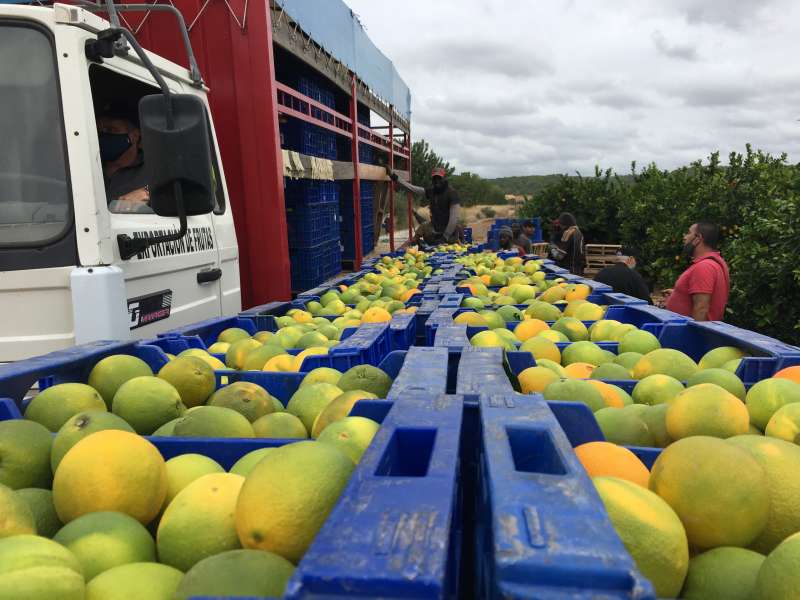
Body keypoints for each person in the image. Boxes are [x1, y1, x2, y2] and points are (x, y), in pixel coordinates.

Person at [665, 222, 730, 321]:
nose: (684, 237)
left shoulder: (704, 267)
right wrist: (679, 294)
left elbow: (701, 308)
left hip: (686, 330)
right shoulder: (714, 262)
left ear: (698, 238)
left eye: (688, 233)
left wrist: (694, 331)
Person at [390, 167, 461, 243]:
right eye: (435, 178)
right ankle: (412, 243)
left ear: (444, 179)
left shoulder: (452, 193)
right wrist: (394, 177)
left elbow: (454, 218)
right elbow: (412, 188)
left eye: (439, 178)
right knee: (423, 227)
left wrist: (445, 236)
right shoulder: (431, 191)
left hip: (449, 233)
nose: (437, 181)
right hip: (435, 229)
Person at [97, 115, 151, 213]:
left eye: (111, 129)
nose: (103, 136)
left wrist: (146, 193)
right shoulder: (83, 168)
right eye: (99, 131)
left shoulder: (155, 168)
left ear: (134, 136)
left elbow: (175, 192)